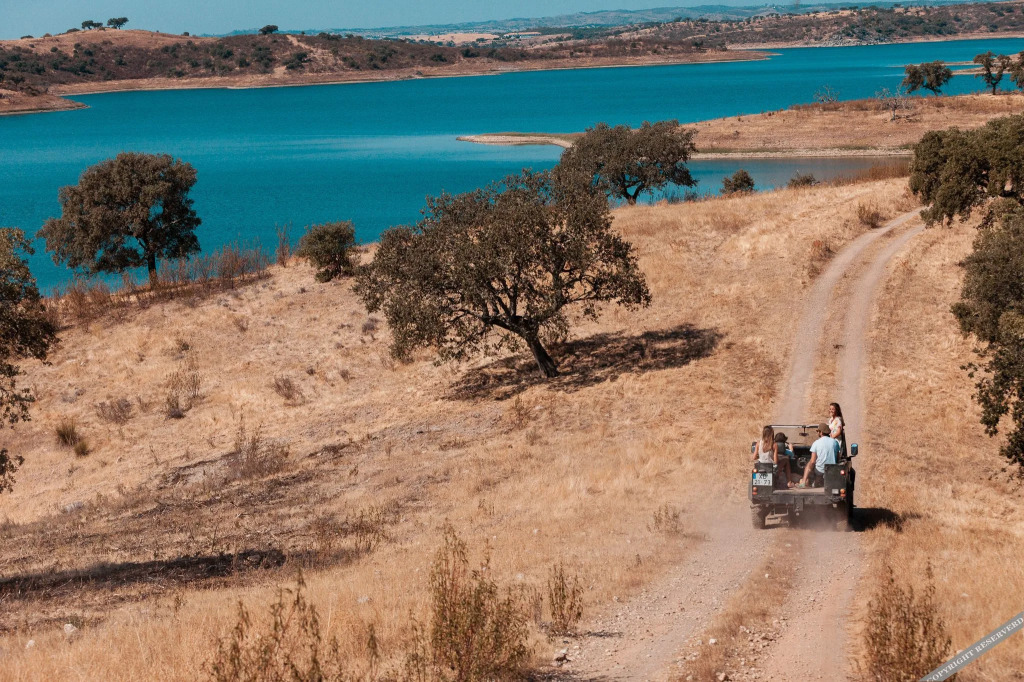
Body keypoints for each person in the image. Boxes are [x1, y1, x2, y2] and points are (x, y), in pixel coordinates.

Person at [797, 423, 840, 488]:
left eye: (818, 431)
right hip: (832, 470)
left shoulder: (816, 443)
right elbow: (838, 458)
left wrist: (810, 468)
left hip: (820, 471)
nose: (817, 433)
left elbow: (813, 461)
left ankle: (803, 482)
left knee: (809, 464)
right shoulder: (835, 442)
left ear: (821, 432)